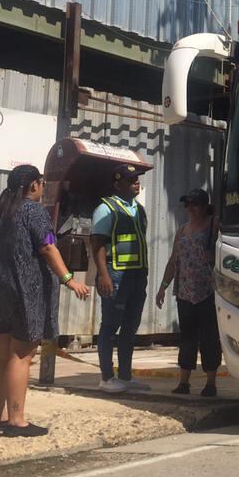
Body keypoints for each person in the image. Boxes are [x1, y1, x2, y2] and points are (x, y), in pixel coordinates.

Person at [0, 164, 90, 436]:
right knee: (21, 353)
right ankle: (16, 421)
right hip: (25, 287)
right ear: (32, 185)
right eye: (41, 181)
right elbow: (47, 246)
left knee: (0, 351)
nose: (43, 186)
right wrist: (69, 279)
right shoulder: (34, 211)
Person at [90, 165, 150, 394]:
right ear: (117, 185)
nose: (136, 182)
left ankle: (125, 376)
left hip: (137, 274)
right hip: (115, 274)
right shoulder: (106, 209)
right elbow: (96, 244)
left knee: (130, 325)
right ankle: (107, 377)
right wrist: (103, 275)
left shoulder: (139, 210)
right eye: (131, 179)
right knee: (110, 325)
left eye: (137, 178)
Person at [156, 188, 221, 396]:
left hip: (208, 290)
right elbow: (174, 260)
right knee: (187, 338)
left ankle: (211, 382)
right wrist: (163, 286)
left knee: (210, 336)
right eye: (187, 205)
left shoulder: (214, 225)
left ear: (204, 206)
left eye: (195, 204)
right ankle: (184, 382)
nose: (190, 209)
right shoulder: (182, 230)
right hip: (185, 292)